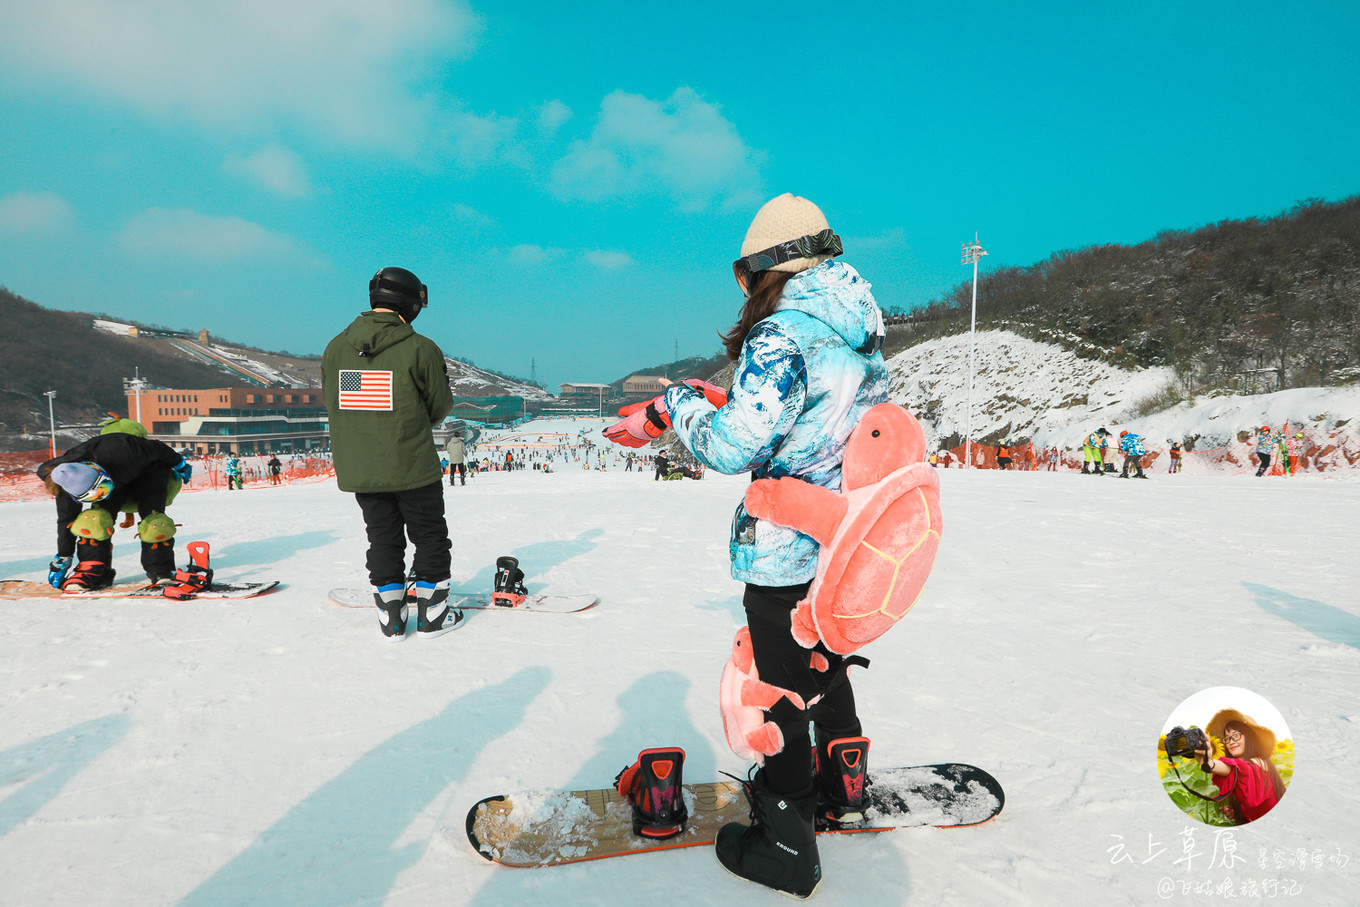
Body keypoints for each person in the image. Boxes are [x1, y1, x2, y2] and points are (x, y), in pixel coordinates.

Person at [604, 193, 885, 898]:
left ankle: (789, 840)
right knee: (824, 658)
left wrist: (677, 404)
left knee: (779, 682)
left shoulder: (784, 334)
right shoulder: (859, 328)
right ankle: (843, 770)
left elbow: (734, 447)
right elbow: (824, 425)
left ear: (766, 269)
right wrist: (724, 399)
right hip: (844, 539)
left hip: (786, 540)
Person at [322, 266, 461, 641]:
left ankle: (392, 618)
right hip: (412, 462)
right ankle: (432, 614)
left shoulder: (336, 347)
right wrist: (409, 422)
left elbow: (336, 404)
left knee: (381, 537)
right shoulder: (419, 347)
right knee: (429, 535)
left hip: (362, 467)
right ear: (410, 303)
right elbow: (439, 406)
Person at [36, 429, 192, 590]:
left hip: (149, 472)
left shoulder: (125, 450)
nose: (103, 495)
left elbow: (158, 448)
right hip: (116, 481)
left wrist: (180, 463)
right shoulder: (66, 485)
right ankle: (93, 569)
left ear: (98, 471)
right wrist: (64, 556)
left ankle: (161, 570)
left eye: (102, 488)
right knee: (93, 520)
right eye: (94, 497)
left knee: (155, 521)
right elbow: (66, 521)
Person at [1192, 709, 1285, 824]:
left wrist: (1209, 763)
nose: (1231, 742)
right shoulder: (1244, 776)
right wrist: (1238, 810)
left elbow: (1235, 769)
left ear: (1250, 737)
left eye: (1236, 735)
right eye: (1227, 738)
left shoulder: (1259, 762)